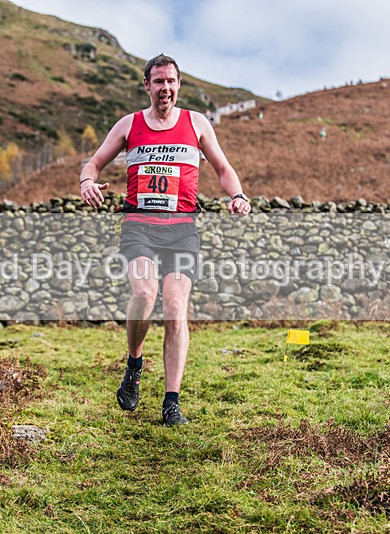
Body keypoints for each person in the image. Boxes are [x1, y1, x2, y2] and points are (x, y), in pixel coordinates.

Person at [79, 54, 250, 426]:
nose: (165, 88)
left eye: (171, 81)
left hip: (182, 230)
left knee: (175, 307)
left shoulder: (197, 123)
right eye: (158, 82)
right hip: (139, 227)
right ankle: (134, 364)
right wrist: (87, 182)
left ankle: (171, 402)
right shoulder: (129, 124)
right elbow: (92, 163)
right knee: (144, 293)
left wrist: (237, 195)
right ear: (147, 85)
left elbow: (223, 168)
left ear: (178, 84)